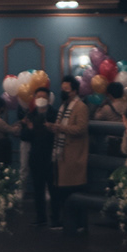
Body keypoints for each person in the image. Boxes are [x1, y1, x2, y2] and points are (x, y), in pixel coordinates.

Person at [49, 77, 90, 230]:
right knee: (63, 190)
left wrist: (60, 128)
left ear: (74, 91)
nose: (63, 92)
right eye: (62, 89)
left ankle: (79, 224)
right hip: (62, 155)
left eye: (66, 89)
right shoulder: (63, 106)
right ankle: (68, 222)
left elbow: (81, 129)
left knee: (75, 189)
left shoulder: (81, 107)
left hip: (74, 155)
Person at [20, 84, 56, 225]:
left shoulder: (54, 114)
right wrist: (29, 129)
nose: (41, 99)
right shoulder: (31, 115)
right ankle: (40, 218)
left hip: (52, 156)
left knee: (54, 189)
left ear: (48, 99)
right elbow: (23, 136)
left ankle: (56, 218)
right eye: (38, 97)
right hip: (36, 156)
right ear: (34, 99)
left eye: (43, 97)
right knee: (38, 190)